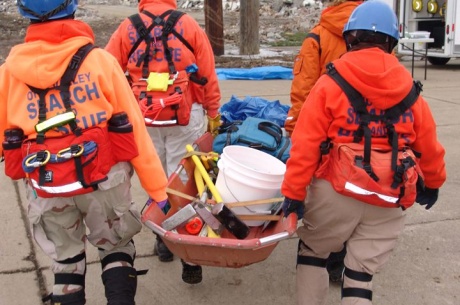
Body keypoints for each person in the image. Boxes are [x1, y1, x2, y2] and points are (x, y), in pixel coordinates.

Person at [0, 1, 169, 304]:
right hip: (105, 180)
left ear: (24, 14)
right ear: (72, 9)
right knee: (116, 248)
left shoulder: (8, 74)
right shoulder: (100, 62)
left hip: (48, 185)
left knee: (66, 259)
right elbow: (135, 130)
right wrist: (158, 190)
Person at [281, 1, 446, 304]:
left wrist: (293, 193)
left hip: (335, 190)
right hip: (388, 194)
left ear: (350, 39)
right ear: (391, 43)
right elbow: (430, 146)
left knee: (313, 253)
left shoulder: (329, 83)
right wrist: (433, 184)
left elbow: (304, 145)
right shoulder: (410, 90)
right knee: (360, 274)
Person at [105, 0, 222, 285]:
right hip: (185, 116)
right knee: (185, 185)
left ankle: (162, 240)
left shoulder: (127, 27)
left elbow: (107, 71)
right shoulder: (189, 25)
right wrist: (214, 112)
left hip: (143, 119)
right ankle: (190, 257)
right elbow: (207, 73)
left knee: (156, 183)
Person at [285, 0, 363, 282]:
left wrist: (295, 131)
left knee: (318, 204)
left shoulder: (317, 37)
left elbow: (303, 91)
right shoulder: (376, 36)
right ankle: (337, 266)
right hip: (363, 139)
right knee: (353, 197)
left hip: (323, 137)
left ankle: (312, 264)